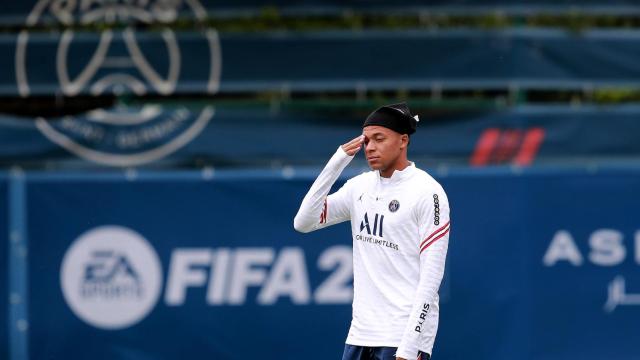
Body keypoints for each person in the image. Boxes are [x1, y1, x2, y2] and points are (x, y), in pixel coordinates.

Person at [293, 102, 451, 360]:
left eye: (379, 138)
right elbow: (304, 221)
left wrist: (410, 347)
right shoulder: (359, 187)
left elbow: (432, 277)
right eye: (366, 141)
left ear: (403, 141)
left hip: (401, 339)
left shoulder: (428, 192)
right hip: (359, 335)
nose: (370, 147)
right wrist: (337, 160)